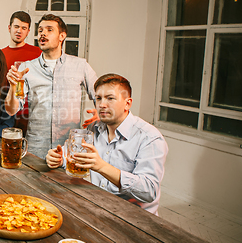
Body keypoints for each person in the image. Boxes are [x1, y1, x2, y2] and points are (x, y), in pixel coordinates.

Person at [45, 74, 168, 215]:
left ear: (127, 103)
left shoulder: (149, 138)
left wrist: (101, 166)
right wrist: (60, 159)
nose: (102, 104)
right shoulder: (93, 128)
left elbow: (149, 191)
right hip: (98, 207)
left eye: (110, 98)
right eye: (98, 98)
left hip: (134, 218)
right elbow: (73, 157)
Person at [5, 14, 98, 158]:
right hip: (35, 150)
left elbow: (101, 95)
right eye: (40, 30)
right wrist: (12, 87)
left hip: (69, 150)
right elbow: (11, 110)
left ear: (62, 36)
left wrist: (99, 114)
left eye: (49, 30)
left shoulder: (81, 65)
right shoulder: (26, 68)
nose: (42, 33)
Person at [1, 11, 42, 136]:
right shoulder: (0, 55)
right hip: (5, 113)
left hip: (30, 114)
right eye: (16, 27)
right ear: (9, 28)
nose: (19, 31)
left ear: (28, 31)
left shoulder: (38, 53)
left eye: (24, 28)